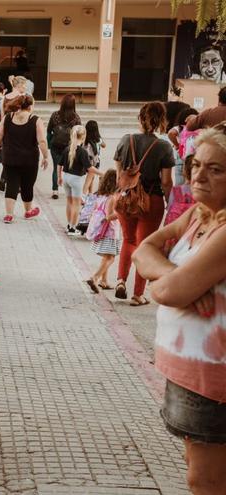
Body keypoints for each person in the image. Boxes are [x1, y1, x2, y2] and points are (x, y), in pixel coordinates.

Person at [133, 124, 226, 494]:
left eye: (216, 169)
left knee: (205, 480)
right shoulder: (199, 216)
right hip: (188, 373)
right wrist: (177, 277)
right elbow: (143, 251)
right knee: (198, 466)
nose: (199, 175)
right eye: (196, 164)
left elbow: (167, 292)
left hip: (213, 381)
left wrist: (174, 286)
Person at [112, 101, 174, 306]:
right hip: (151, 200)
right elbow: (166, 181)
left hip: (126, 199)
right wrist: (169, 200)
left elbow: (119, 174)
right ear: (162, 121)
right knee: (143, 245)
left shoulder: (125, 140)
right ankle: (137, 294)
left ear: (140, 118)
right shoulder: (164, 146)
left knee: (128, 241)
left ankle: (120, 280)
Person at [0, 95, 49, 224]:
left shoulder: (8, 118)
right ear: (30, 106)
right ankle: (28, 211)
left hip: (10, 158)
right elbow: (42, 141)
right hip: (29, 160)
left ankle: (9, 214)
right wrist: (45, 156)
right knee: (27, 185)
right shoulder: (35, 120)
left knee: (11, 185)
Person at [60, 125, 102, 235]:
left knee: (69, 203)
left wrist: (59, 177)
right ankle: (73, 229)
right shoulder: (82, 152)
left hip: (66, 177)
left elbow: (59, 165)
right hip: (76, 179)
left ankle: (69, 225)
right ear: (83, 137)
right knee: (76, 204)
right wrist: (102, 173)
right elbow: (89, 168)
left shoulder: (67, 149)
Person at [84, 169, 120, 292]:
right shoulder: (112, 198)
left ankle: (104, 281)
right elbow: (109, 216)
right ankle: (95, 277)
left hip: (101, 231)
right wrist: (121, 213)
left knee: (106, 256)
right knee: (110, 258)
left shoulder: (100, 196)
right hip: (109, 232)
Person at [48, 94, 82, 200]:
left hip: (55, 146)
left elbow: (49, 130)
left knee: (55, 168)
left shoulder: (55, 115)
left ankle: (55, 190)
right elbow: (80, 133)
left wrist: (50, 143)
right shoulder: (76, 118)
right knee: (70, 169)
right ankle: (71, 191)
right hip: (69, 147)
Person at [167, 107, 200, 186]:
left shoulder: (180, 127)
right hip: (195, 158)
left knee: (180, 185)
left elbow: (171, 133)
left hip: (181, 158)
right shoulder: (199, 128)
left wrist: (177, 145)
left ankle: (179, 197)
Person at [164, 156, 195, 226]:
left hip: (176, 227)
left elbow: (170, 210)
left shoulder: (176, 191)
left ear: (184, 170)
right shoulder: (201, 192)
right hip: (192, 227)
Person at [83, 120, 106, 196]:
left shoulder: (85, 139)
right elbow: (104, 145)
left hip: (86, 160)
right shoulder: (98, 139)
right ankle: (83, 194)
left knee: (91, 177)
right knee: (90, 178)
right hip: (94, 162)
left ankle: (90, 193)